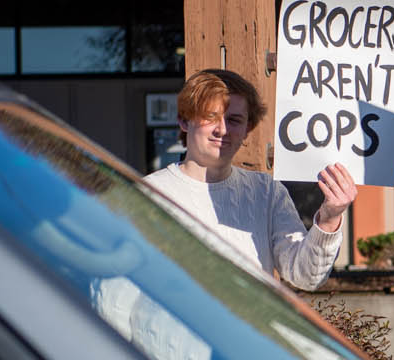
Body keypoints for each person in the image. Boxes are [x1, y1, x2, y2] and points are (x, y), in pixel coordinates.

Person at [143, 68, 356, 290]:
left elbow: (306, 276)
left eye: (234, 120)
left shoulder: (266, 192)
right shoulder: (149, 193)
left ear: (248, 129)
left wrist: (329, 220)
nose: (222, 129)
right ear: (184, 121)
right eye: (209, 116)